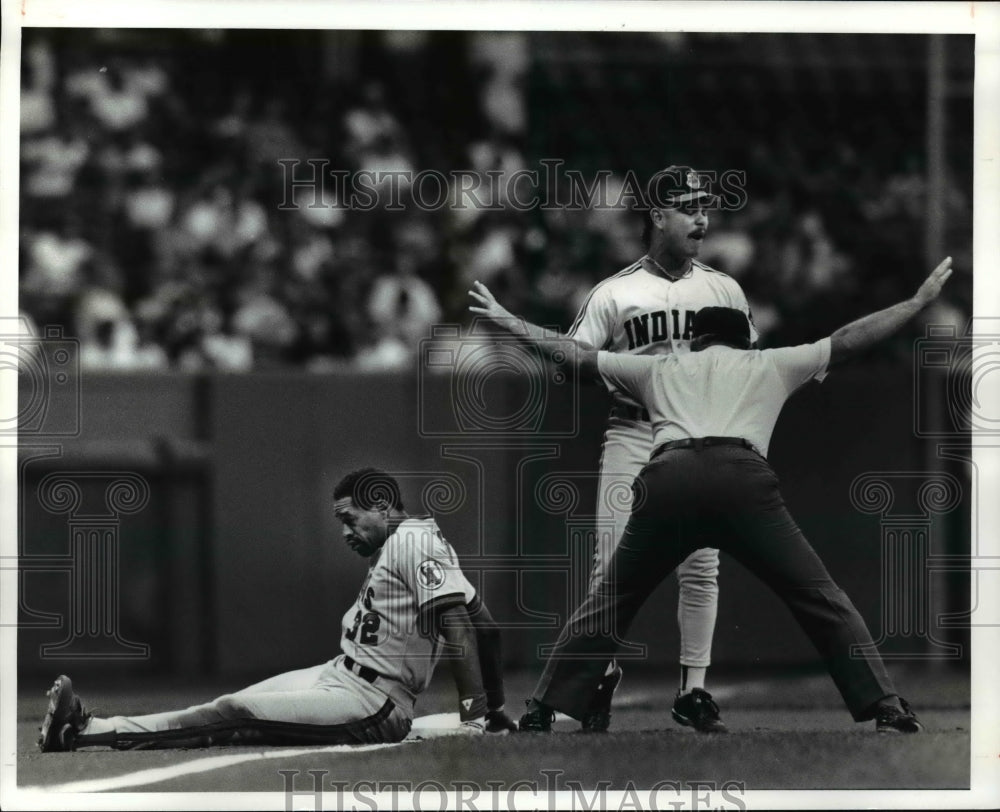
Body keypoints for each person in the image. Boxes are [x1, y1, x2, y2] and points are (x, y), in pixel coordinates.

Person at [468, 255, 954, 733]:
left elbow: (570, 354)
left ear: (696, 339)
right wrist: (914, 303)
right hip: (742, 481)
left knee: (610, 598)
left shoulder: (662, 368)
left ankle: (544, 707)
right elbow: (848, 341)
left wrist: (509, 321)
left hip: (669, 478)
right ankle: (886, 705)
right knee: (820, 597)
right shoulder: (770, 364)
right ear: (744, 339)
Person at [38, 468, 517, 751]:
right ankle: (91, 727)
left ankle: (83, 734)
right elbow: (487, 626)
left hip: (373, 702)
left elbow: (461, 624)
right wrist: (496, 707)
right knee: (227, 706)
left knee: (235, 712)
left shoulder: (413, 540)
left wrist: (475, 716)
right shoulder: (407, 544)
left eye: (350, 520)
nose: (345, 532)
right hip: (341, 675)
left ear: (383, 505)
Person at [548, 165, 760, 732]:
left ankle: (694, 690)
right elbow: (571, 361)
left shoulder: (724, 289)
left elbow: (749, 364)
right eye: (688, 206)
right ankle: (600, 675)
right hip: (634, 431)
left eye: (705, 205)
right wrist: (617, 369)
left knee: (701, 565)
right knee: (610, 567)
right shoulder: (616, 292)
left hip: (698, 432)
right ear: (657, 216)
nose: (701, 217)